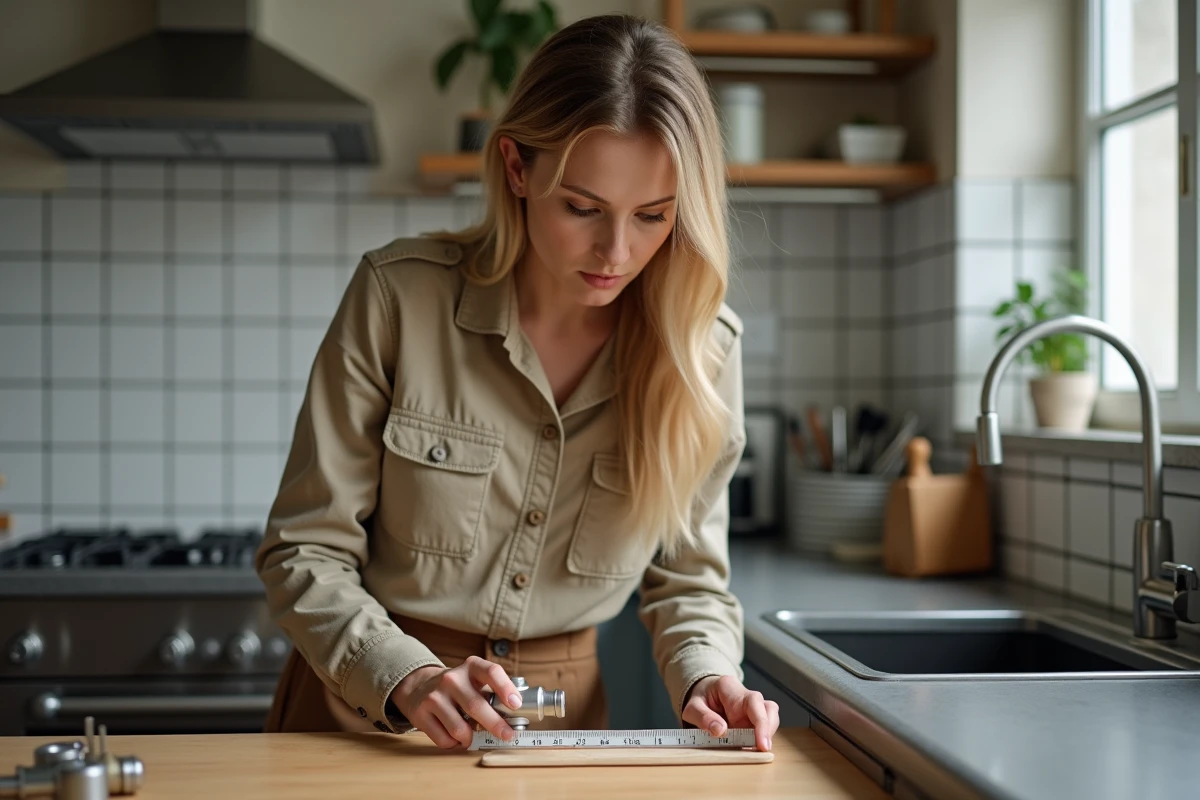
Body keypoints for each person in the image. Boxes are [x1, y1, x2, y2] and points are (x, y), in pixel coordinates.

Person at [255, 12, 780, 753]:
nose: (617, 251)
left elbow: (688, 583)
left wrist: (708, 675)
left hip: (554, 729)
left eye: (654, 216)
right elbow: (304, 551)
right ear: (516, 168)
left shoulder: (703, 350)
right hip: (363, 715)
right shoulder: (398, 299)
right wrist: (405, 674)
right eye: (583, 208)